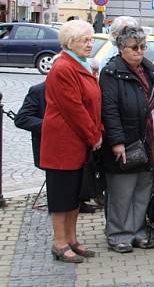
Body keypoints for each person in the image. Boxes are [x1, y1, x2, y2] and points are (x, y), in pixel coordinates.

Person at [100, 25, 154, 253]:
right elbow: (109, 110)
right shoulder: (111, 72)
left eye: (143, 47)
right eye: (134, 47)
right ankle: (118, 235)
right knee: (122, 193)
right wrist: (117, 141)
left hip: (150, 142)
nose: (139, 51)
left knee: (143, 190)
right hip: (127, 141)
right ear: (122, 48)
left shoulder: (148, 69)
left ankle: (137, 231)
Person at [39, 20, 103, 263]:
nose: (90, 44)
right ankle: (59, 242)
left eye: (91, 39)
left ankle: (72, 239)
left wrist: (97, 130)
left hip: (79, 143)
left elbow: (93, 103)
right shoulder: (63, 68)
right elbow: (73, 109)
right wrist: (93, 135)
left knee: (76, 194)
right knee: (61, 195)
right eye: (84, 40)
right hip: (63, 144)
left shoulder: (82, 65)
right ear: (69, 42)